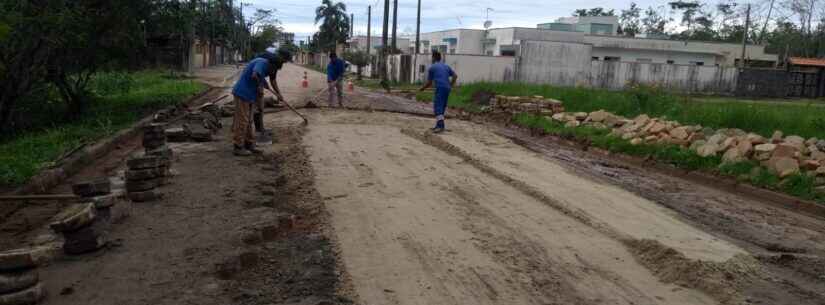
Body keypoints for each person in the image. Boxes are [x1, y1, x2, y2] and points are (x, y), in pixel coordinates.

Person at [230, 50, 289, 156]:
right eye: (273, 69)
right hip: (242, 93)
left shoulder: (267, 65)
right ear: (271, 64)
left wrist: (264, 83)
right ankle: (238, 147)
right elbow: (255, 75)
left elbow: (262, 77)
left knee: (249, 120)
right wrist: (259, 86)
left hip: (249, 95)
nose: (272, 72)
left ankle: (249, 144)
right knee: (242, 120)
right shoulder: (262, 63)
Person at [419, 51, 457, 133]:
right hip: (447, 88)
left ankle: (441, 126)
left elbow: (429, 83)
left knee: (437, 107)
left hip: (440, 87)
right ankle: (438, 125)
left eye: (432, 57)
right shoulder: (446, 66)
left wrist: (422, 89)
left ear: (433, 58)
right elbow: (455, 76)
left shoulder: (432, 68)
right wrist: (450, 85)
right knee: (442, 107)